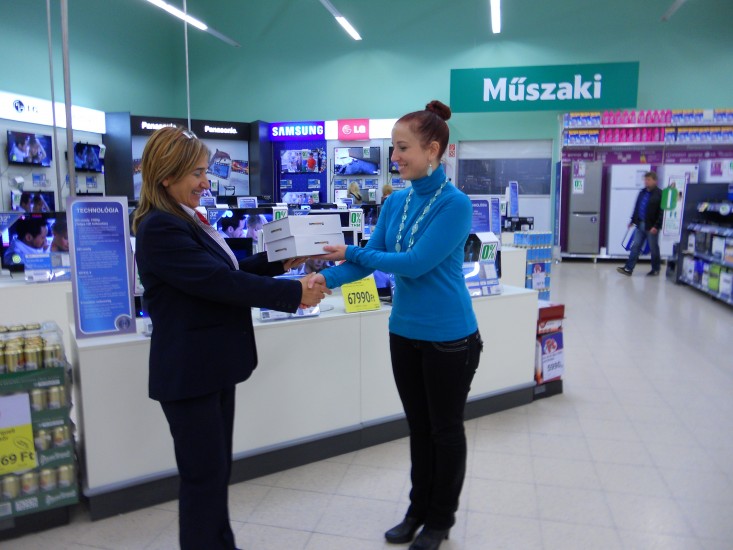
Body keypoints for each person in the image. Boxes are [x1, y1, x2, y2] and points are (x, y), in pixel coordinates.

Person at [132, 126, 329, 550]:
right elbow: (219, 284)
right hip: (191, 374)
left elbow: (226, 273)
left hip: (211, 369)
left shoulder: (184, 220)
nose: (207, 182)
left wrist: (277, 261)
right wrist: (294, 293)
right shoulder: (160, 228)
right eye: (197, 173)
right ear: (166, 176)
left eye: (206, 172)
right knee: (203, 478)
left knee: (215, 471)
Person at [309, 100, 483, 550]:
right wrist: (322, 280)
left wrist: (351, 252)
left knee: (445, 430)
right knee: (419, 428)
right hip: (404, 333)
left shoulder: (455, 205)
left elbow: (415, 263)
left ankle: (440, 520)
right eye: (394, 148)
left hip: (450, 339)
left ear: (433, 150)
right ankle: (416, 511)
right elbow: (368, 261)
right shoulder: (396, 201)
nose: (395, 157)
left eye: (403, 148)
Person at [617, 171, 663, 276]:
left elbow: (662, 212)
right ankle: (628, 269)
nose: (646, 182)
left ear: (655, 181)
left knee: (653, 248)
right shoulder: (642, 192)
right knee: (635, 246)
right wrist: (632, 221)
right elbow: (637, 207)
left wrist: (656, 226)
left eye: (648, 180)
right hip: (640, 224)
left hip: (652, 226)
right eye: (645, 180)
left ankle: (656, 269)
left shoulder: (660, 194)